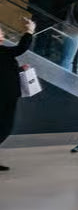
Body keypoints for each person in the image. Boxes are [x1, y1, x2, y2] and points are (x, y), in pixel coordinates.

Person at [0, 18, 37, 171]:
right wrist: (30, 31)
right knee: (4, 127)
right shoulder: (2, 51)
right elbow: (20, 48)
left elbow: (4, 70)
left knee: (4, 127)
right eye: (0, 32)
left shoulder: (2, 53)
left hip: (6, 95)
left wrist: (19, 69)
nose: (2, 34)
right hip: (4, 96)